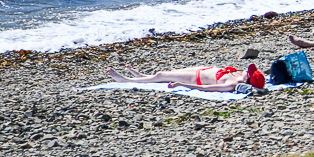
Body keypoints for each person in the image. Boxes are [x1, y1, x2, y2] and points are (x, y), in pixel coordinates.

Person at [108, 63, 265, 92]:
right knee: (167, 72)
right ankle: (142, 77)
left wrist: (181, 85)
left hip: (194, 78)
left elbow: (205, 88)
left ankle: (126, 81)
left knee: (161, 75)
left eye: (248, 72)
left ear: (248, 79)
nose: (246, 70)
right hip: (203, 70)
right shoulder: (238, 75)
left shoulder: (230, 84)